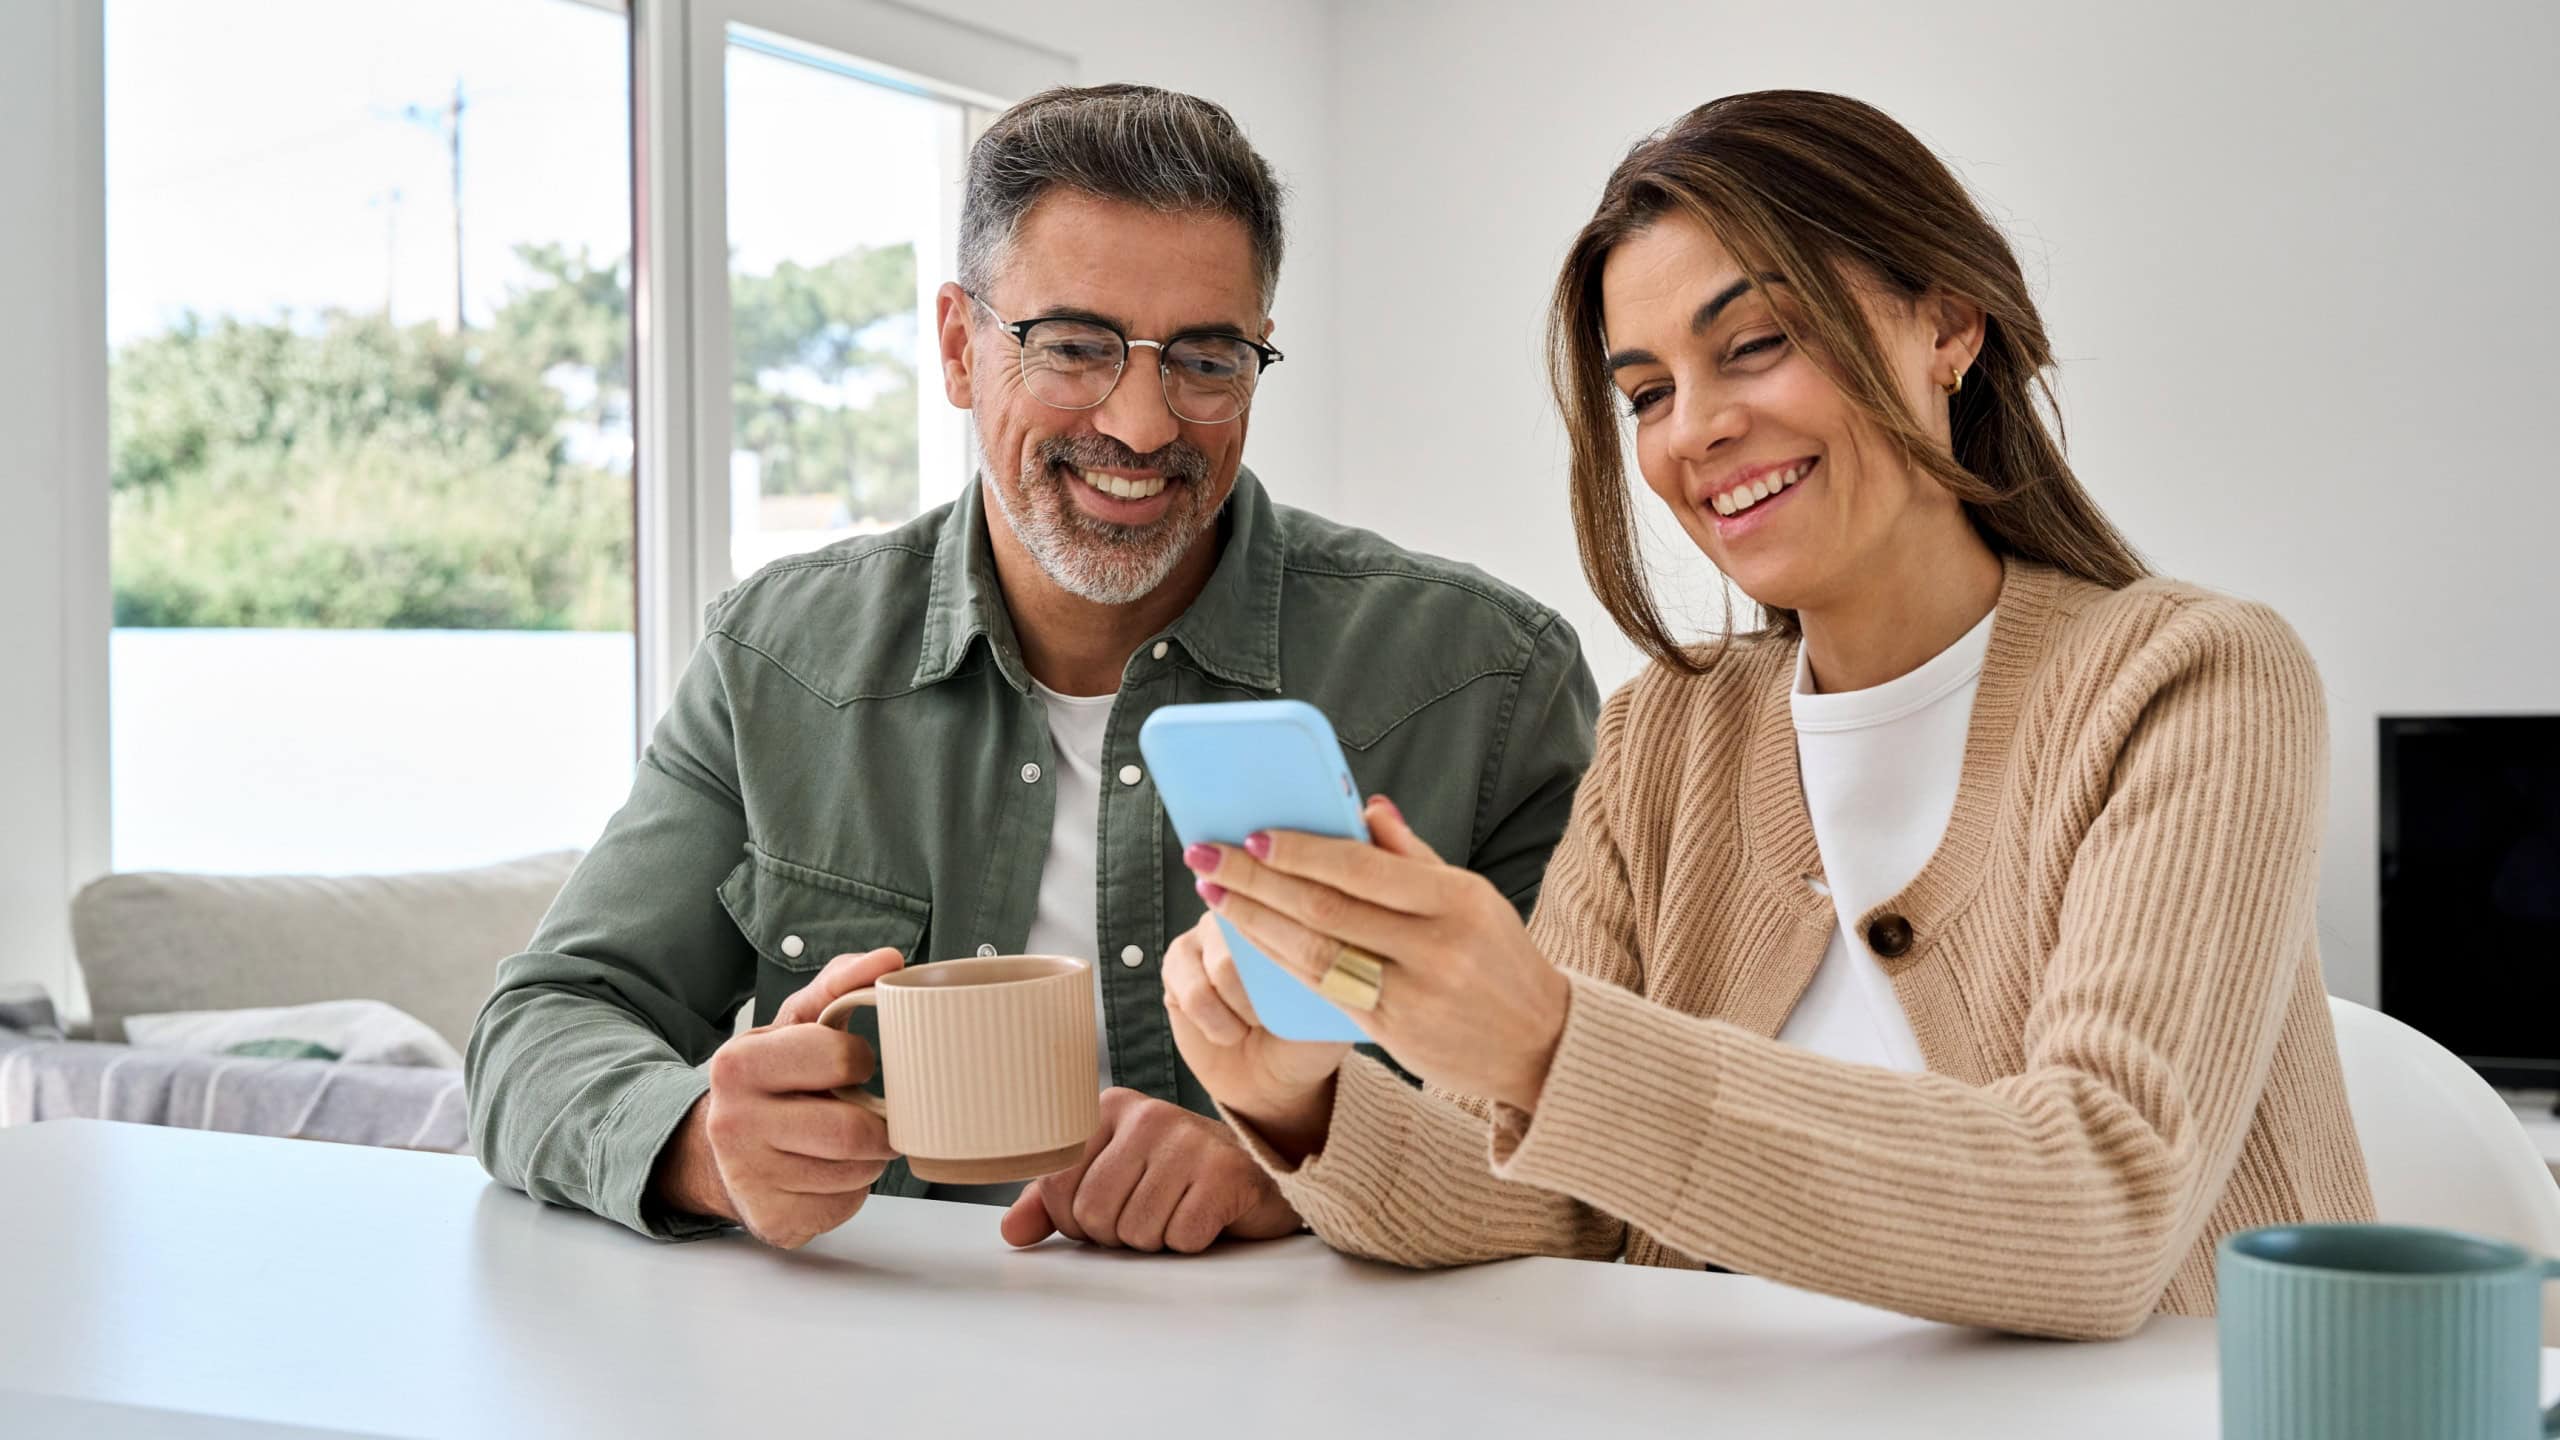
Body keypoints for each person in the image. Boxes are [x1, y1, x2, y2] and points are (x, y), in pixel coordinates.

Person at [1162, 89, 2374, 1340]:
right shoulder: (1666, 736)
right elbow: (1548, 1197)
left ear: (1948, 324)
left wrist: (1547, 1039)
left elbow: (2100, 1212)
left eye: (1754, 345)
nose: (1696, 429)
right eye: (1645, 393)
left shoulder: (2196, 682)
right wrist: (1306, 1102)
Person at [466, 84, 1598, 1253]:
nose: (1145, 424)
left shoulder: (1486, 682)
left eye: (1207, 360)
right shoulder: (778, 661)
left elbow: (1594, 1134)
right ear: (960, 348)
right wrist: (701, 1140)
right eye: (1072, 348)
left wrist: (1295, 1173)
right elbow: (539, 1028)